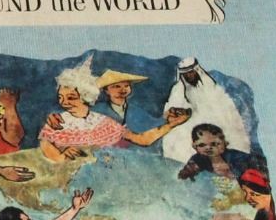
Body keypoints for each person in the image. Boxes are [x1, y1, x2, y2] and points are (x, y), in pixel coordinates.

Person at [38, 59, 182, 160]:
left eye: (126, 85)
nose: (122, 90)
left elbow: (143, 137)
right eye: (116, 86)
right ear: (106, 90)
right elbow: (46, 144)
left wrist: (169, 122)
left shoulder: (105, 119)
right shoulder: (65, 118)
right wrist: (61, 154)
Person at [161, 58, 251, 162]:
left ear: (197, 70)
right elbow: (171, 109)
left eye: (191, 72)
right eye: (185, 74)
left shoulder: (211, 85)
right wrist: (181, 111)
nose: (189, 76)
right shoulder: (178, 89)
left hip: (216, 122)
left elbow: (224, 106)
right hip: (190, 124)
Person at [176, 124, 265, 182]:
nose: (208, 148)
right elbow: (189, 169)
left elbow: (255, 170)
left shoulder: (236, 157)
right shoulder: (198, 158)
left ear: (225, 144)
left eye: (214, 144)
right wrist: (186, 172)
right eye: (202, 145)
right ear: (194, 146)